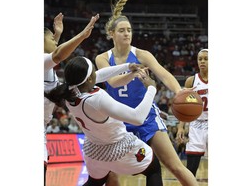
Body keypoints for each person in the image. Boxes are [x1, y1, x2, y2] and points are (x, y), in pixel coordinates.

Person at [95, 0, 197, 185]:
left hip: (146, 117)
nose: (127, 34)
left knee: (174, 165)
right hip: (118, 120)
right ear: (111, 34)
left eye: (129, 30)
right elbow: (113, 82)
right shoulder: (102, 58)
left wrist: (180, 92)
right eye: (122, 30)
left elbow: (164, 75)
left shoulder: (142, 54)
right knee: (109, 173)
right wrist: (133, 71)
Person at [45, 56, 198, 186]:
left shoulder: (69, 92)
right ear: (89, 79)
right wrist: (151, 88)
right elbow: (137, 118)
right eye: (93, 71)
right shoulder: (97, 99)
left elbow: (99, 75)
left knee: (95, 182)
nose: (96, 74)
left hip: (94, 152)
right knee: (154, 168)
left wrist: (126, 66)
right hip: (119, 148)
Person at [44, 12, 99, 185]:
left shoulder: (47, 68)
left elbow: (53, 53)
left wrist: (57, 34)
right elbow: (58, 54)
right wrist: (82, 35)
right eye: (51, 38)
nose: (55, 40)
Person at [176, 49, 208, 177]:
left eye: (206, 59)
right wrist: (180, 127)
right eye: (200, 59)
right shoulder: (192, 81)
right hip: (197, 125)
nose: (202, 61)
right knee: (191, 169)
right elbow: (184, 107)